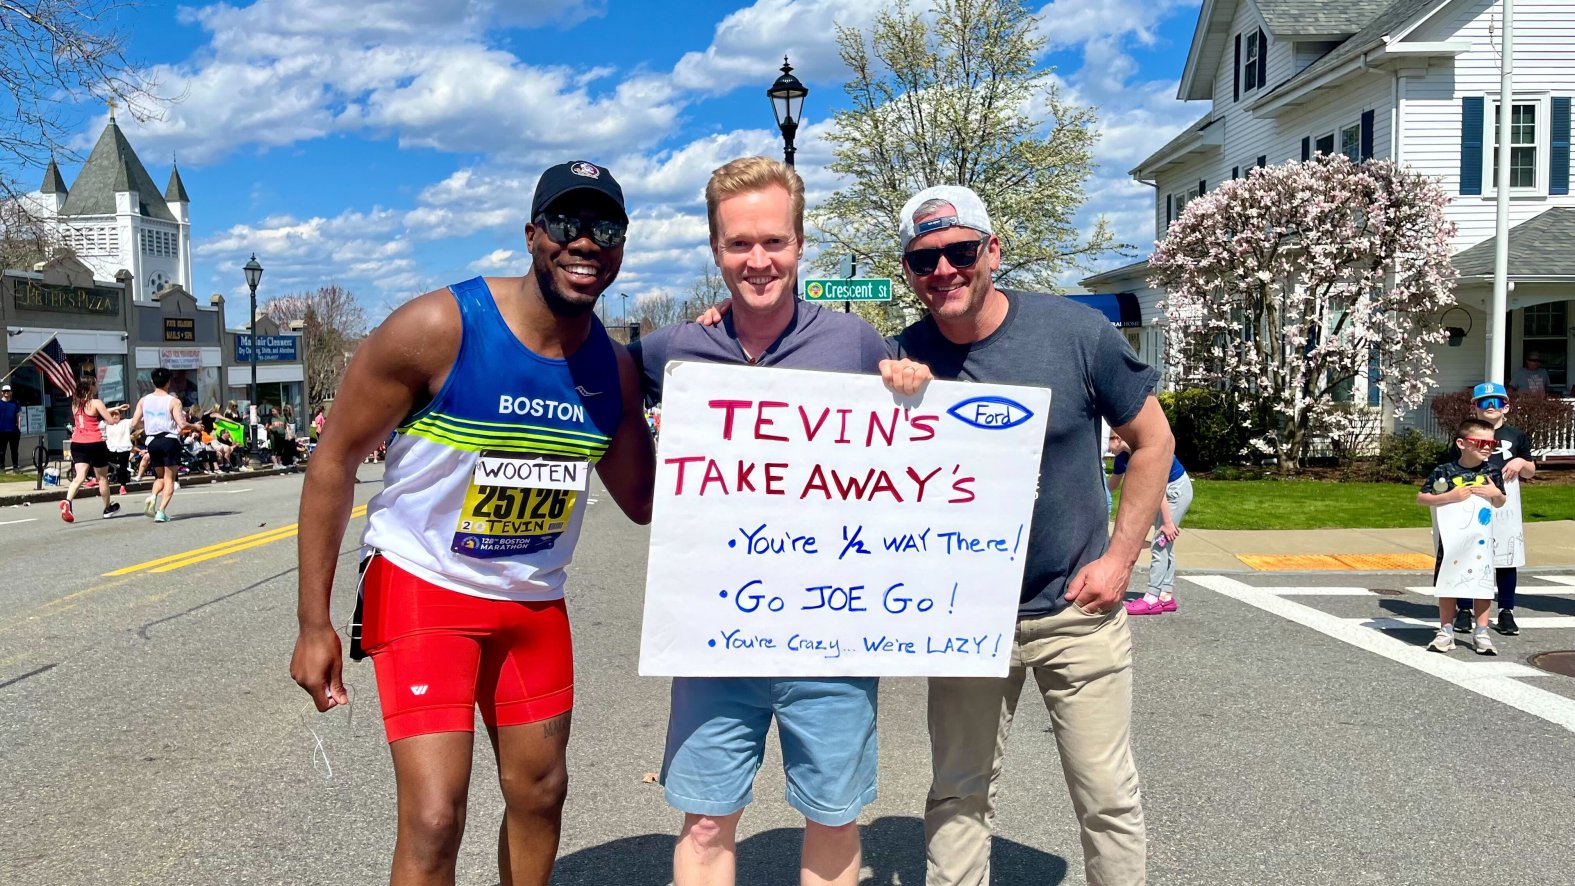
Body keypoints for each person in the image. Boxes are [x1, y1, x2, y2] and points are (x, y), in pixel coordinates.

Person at [290, 160, 655, 886]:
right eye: (565, 223)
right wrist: (313, 624)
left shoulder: (609, 370)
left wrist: (717, 374)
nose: (585, 241)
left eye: (605, 228)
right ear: (531, 235)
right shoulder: (438, 328)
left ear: (621, 246)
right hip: (425, 587)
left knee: (542, 794)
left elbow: (646, 500)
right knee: (433, 815)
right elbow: (332, 461)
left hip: (532, 602)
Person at [632, 156, 926, 886]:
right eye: (738, 244)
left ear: (799, 244)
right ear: (715, 250)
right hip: (713, 634)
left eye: (772, 241)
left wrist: (910, 383)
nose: (756, 260)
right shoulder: (675, 348)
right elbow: (586, 379)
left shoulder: (856, 344)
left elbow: (929, 451)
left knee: (833, 815)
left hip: (830, 630)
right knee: (704, 819)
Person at [886, 185, 1174, 886]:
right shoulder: (899, 357)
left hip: (1078, 607)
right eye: (924, 259)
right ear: (908, 272)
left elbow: (1152, 440)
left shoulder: (1074, 333)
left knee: (1105, 795)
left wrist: (1117, 560)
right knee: (957, 792)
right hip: (962, 617)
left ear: (991, 251)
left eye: (959, 251)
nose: (944, 270)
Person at [1447, 382, 1536, 636]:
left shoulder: (1515, 435)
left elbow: (1530, 471)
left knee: (1506, 558)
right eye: (1484, 403)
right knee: (1468, 553)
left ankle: (1506, 610)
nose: (1490, 408)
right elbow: (1454, 466)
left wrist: (1520, 461)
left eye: (1496, 403)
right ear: (1474, 407)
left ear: (1505, 407)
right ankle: (1464, 609)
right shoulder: (1465, 435)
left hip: (1506, 500)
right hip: (1473, 497)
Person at [1419, 417, 1508, 655]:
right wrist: (1449, 497)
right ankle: (1446, 630)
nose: (1487, 447)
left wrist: (1496, 493)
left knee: (1483, 583)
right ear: (1462, 443)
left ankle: (1481, 631)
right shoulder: (1444, 471)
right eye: (1480, 442)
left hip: (1480, 540)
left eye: (1492, 443)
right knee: (1448, 581)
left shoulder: (1492, 471)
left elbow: (1500, 502)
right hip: (1451, 540)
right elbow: (1423, 497)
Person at [1108, 432, 1191, 615]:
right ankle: (1165, 596)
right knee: (1165, 544)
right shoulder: (1123, 457)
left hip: (1174, 491)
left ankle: (1152, 598)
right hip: (1163, 493)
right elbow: (1111, 485)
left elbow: (1157, 489)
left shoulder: (1145, 454)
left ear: (1118, 439)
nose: (1106, 448)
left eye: (1107, 440)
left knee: (1160, 543)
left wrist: (1168, 522)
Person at [131, 366, 188, 523]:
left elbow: (134, 422)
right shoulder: (173, 401)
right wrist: (196, 427)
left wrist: (146, 426)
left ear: (152, 381)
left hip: (152, 442)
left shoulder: (144, 401)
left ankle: (153, 496)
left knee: (159, 476)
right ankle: (161, 511)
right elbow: (182, 425)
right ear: (168, 382)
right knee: (170, 479)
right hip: (169, 440)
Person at [61, 377, 122, 522]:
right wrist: (115, 416)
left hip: (77, 443)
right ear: (91, 387)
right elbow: (109, 420)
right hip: (95, 442)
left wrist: (115, 408)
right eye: (96, 384)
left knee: (80, 476)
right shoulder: (96, 402)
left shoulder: (75, 403)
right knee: (102, 478)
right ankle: (107, 508)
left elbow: (91, 414)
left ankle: (68, 501)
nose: (98, 386)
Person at [104, 403, 134, 490]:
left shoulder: (126, 422)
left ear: (120, 415)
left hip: (124, 448)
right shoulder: (106, 423)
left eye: (116, 414)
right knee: (98, 460)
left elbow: (137, 419)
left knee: (123, 467)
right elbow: (103, 412)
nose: (114, 416)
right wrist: (117, 407)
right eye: (112, 414)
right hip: (111, 449)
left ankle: (123, 486)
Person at [0, 383, 21, 473]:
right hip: (1, 431)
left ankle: (15, 467)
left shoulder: (15, 403)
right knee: (1, 451)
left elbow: (18, 415)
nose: (6, 393)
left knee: (14, 450)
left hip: (13, 430)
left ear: (11, 392)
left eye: (8, 391)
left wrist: (19, 427)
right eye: (4, 391)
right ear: (2, 393)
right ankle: (1, 468)